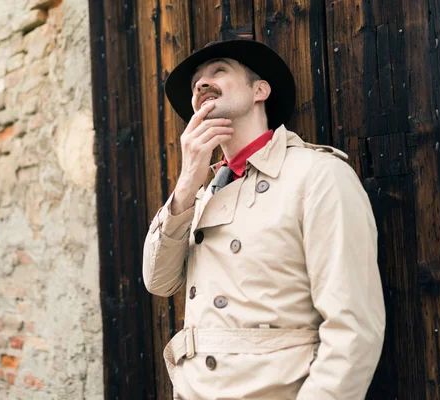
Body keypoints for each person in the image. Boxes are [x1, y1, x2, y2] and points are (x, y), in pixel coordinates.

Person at [142, 39, 385, 399]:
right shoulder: (203, 194)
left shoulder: (318, 175)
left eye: (219, 70)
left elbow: (353, 329)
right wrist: (187, 181)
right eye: (197, 83)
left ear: (260, 89)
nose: (201, 84)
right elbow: (158, 282)